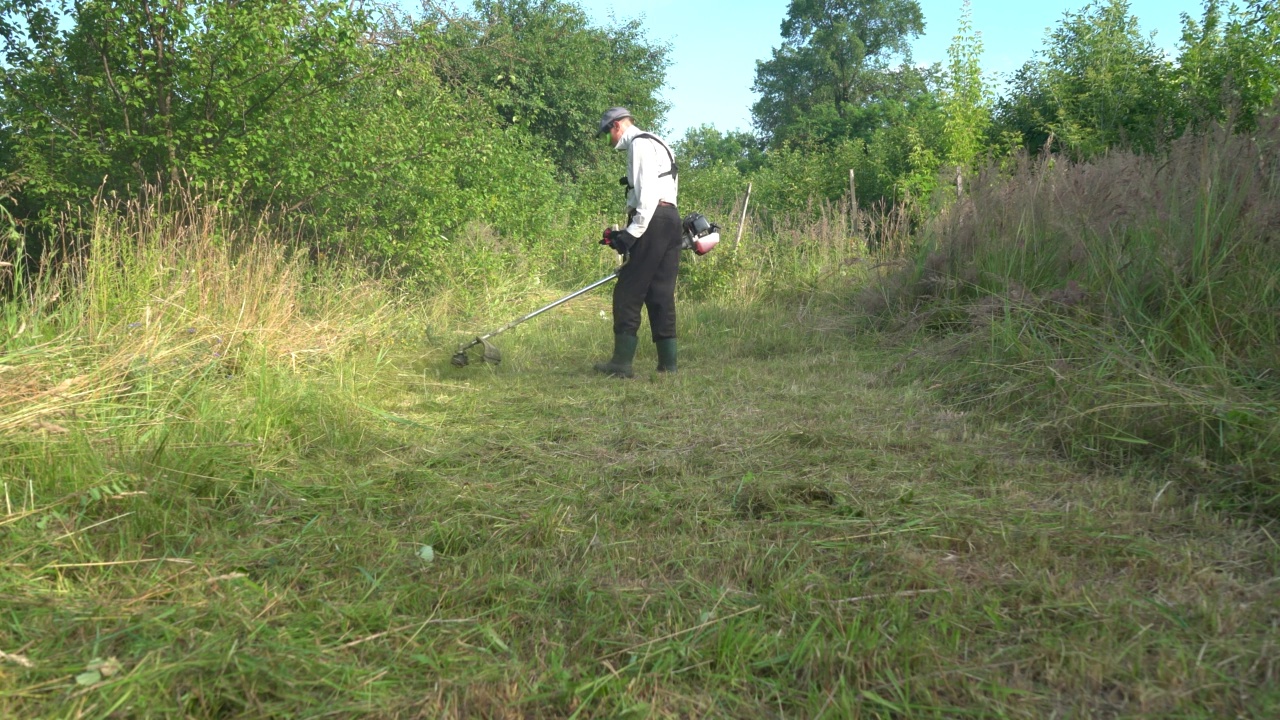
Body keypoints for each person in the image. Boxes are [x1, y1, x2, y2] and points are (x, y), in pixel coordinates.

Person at [594, 106, 681, 378]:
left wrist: (632, 233)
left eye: (607, 133)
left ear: (616, 126)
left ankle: (621, 365)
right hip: (671, 219)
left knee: (628, 291)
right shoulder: (659, 141)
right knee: (661, 293)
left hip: (652, 219)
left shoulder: (639, 145)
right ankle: (669, 366)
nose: (608, 140)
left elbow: (647, 193)